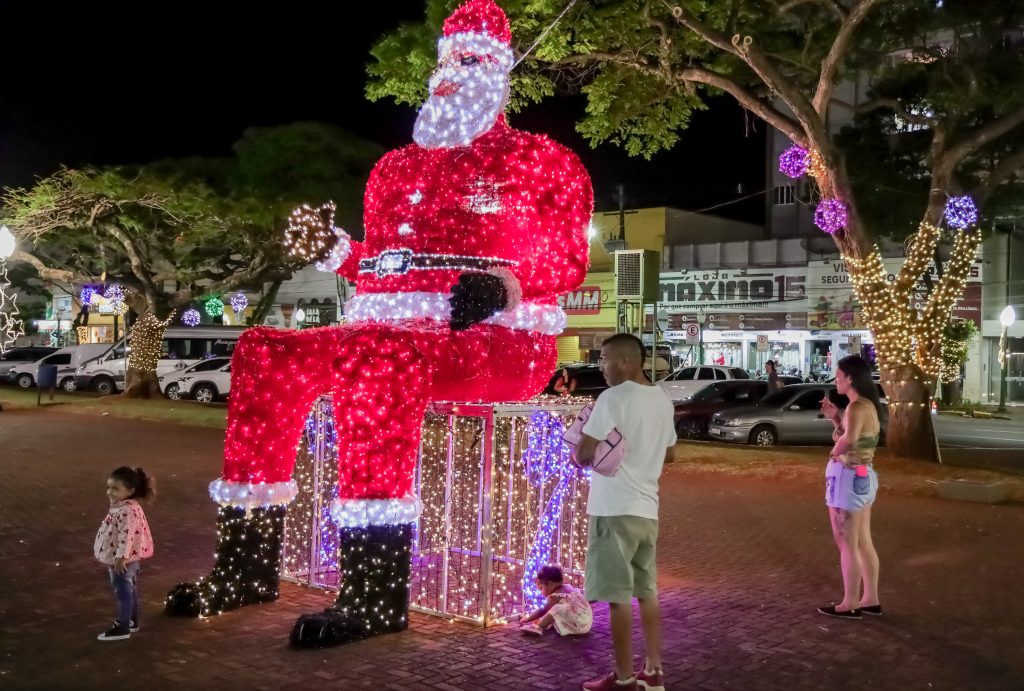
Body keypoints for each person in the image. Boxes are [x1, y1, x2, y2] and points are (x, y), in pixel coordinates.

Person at [166, 0, 594, 650]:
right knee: (264, 350)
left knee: (376, 355)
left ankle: (373, 591)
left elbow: (565, 257)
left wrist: (505, 282)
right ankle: (246, 565)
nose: (451, 72)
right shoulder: (393, 171)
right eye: (446, 59)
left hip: (498, 341)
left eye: (471, 59)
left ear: (502, 73)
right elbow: (382, 268)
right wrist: (335, 250)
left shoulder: (541, 161)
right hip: (388, 336)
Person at [576, 333, 675, 691]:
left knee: (616, 598)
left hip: (613, 508)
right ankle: (653, 671)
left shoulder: (612, 398)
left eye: (604, 359)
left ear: (625, 361)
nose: (600, 366)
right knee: (646, 591)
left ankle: (624, 678)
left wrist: (592, 446)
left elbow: (583, 453)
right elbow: (671, 453)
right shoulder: (662, 400)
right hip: (647, 508)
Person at [819, 355, 882, 619]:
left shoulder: (856, 408)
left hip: (847, 479)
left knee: (847, 544)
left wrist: (835, 453)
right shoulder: (866, 406)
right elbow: (849, 435)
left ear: (851, 378)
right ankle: (870, 599)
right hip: (864, 476)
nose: (836, 380)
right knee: (863, 542)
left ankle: (850, 602)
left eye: (838, 376)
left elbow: (848, 441)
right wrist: (835, 418)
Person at [94, 466, 155, 641]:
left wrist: (121, 558)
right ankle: (131, 622)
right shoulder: (127, 506)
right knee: (130, 588)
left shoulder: (126, 511)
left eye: (115, 489)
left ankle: (122, 626)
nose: (110, 492)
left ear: (130, 491)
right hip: (130, 558)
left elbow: (126, 537)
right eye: (109, 487)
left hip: (123, 560)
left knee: (123, 591)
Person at [518, 564, 593, 637]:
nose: (541, 592)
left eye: (541, 588)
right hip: (586, 622)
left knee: (557, 609)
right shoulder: (568, 588)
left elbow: (542, 611)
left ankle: (538, 627)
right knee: (559, 610)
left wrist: (526, 619)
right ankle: (546, 623)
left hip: (578, 623)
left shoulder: (555, 596)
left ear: (550, 584)